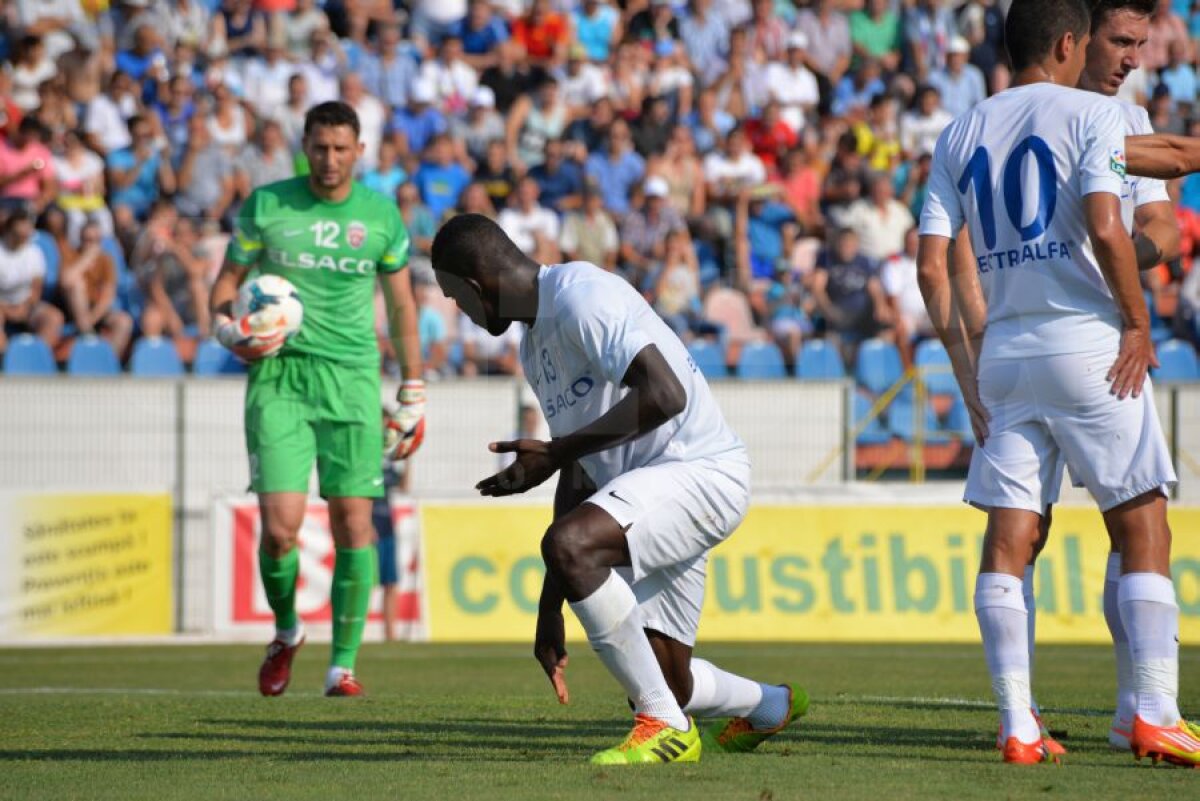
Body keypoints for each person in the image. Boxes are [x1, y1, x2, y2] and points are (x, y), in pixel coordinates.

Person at [917, 0, 1198, 766]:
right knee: (1143, 523)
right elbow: (1110, 226)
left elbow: (931, 265)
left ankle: (1018, 725)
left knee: (1010, 538)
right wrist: (1137, 323)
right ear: (1073, 41)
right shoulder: (1094, 115)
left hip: (1006, 353)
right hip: (1088, 342)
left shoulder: (959, 129)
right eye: (1119, 41)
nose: (1131, 56)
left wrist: (968, 371)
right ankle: (1156, 711)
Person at [430, 213, 806, 764]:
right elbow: (581, 471)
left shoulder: (581, 296)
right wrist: (549, 606)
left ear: (476, 284)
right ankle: (771, 705)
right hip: (650, 493)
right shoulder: (537, 347)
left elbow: (664, 393)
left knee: (574, 548)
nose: (456, 308)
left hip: (699, 472)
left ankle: (664, 730)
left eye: (454, 295)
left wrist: (555, 455)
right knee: (665, 681)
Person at [209, 101, 426, 698]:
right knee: (280, 529)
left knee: (354, 522)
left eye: (340, 148)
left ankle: (344, 665)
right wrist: (228, 327)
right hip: (279, 380)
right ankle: (286, 632)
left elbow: (404, 305)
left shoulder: (381, 217)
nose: (329, 159)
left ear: (359, 151)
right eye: (319, 147)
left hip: (353, 382)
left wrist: (413, 386)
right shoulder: (268, 204)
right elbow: (227, 283)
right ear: (304, 147)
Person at [0, 208, 63, 360]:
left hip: (26, 305)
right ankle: (6, 359)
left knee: (53, 317)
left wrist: (25, 307)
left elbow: (36, 289)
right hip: (1, 305)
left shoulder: (34, 253)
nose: (27, 231)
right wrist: (6, 309)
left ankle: (36, 359)